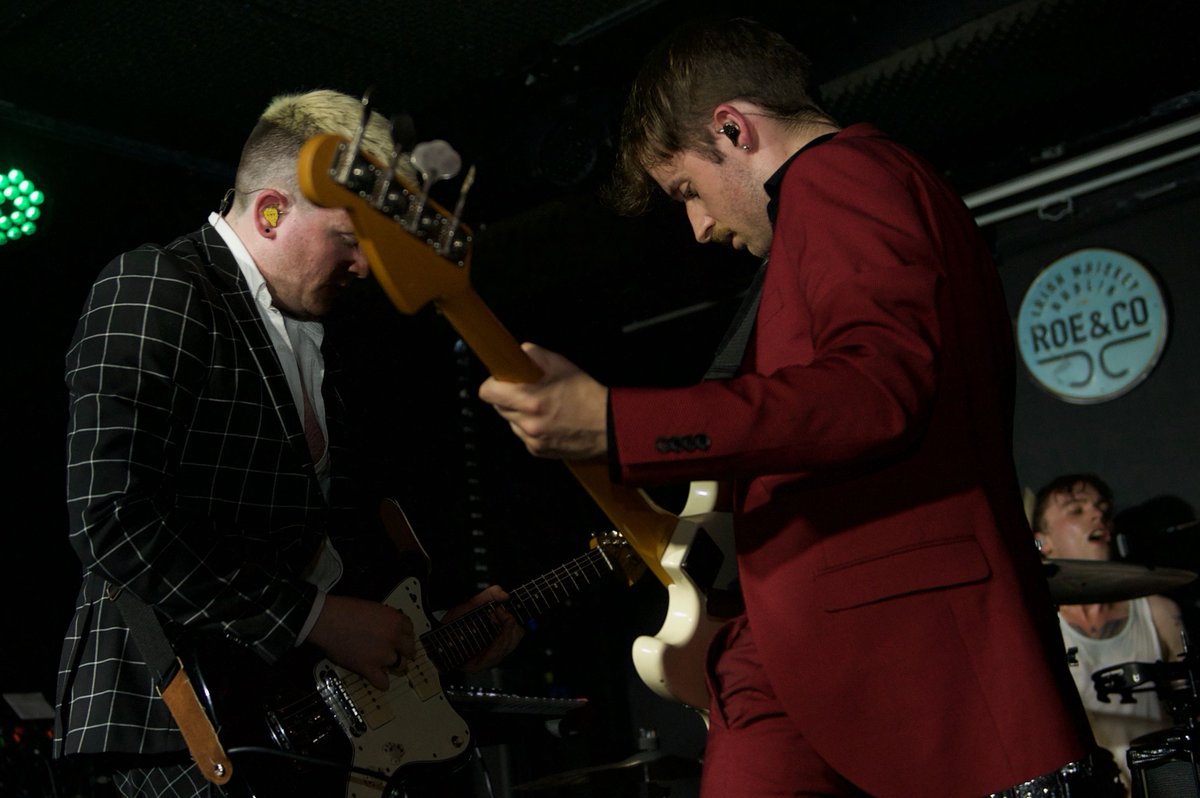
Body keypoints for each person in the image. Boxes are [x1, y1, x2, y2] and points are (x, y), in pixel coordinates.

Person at [477, 17, 1117, 798]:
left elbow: (876, 391)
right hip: (795, 658)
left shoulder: (840, 175)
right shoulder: (828, 212)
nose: (700, 225)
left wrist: (618, 422)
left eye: (687, 191)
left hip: (899, 656)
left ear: (733, 129)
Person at [54, 89, 522, 797]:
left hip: (284, 724)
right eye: (351, 236)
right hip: (172, 724)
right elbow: (110, 516)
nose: (367, 265)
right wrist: (312, 618)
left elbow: (305, 545)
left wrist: (423, 640)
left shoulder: (315, 338)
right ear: (272, 212)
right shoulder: (158, 284)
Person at [1033, 473, 1186, 792]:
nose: (1097, 514)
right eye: (1076, 510)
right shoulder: (1036, 627)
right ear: (1041, 542)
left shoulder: (1158, 611)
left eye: (1102, 508)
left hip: (1168, 786)